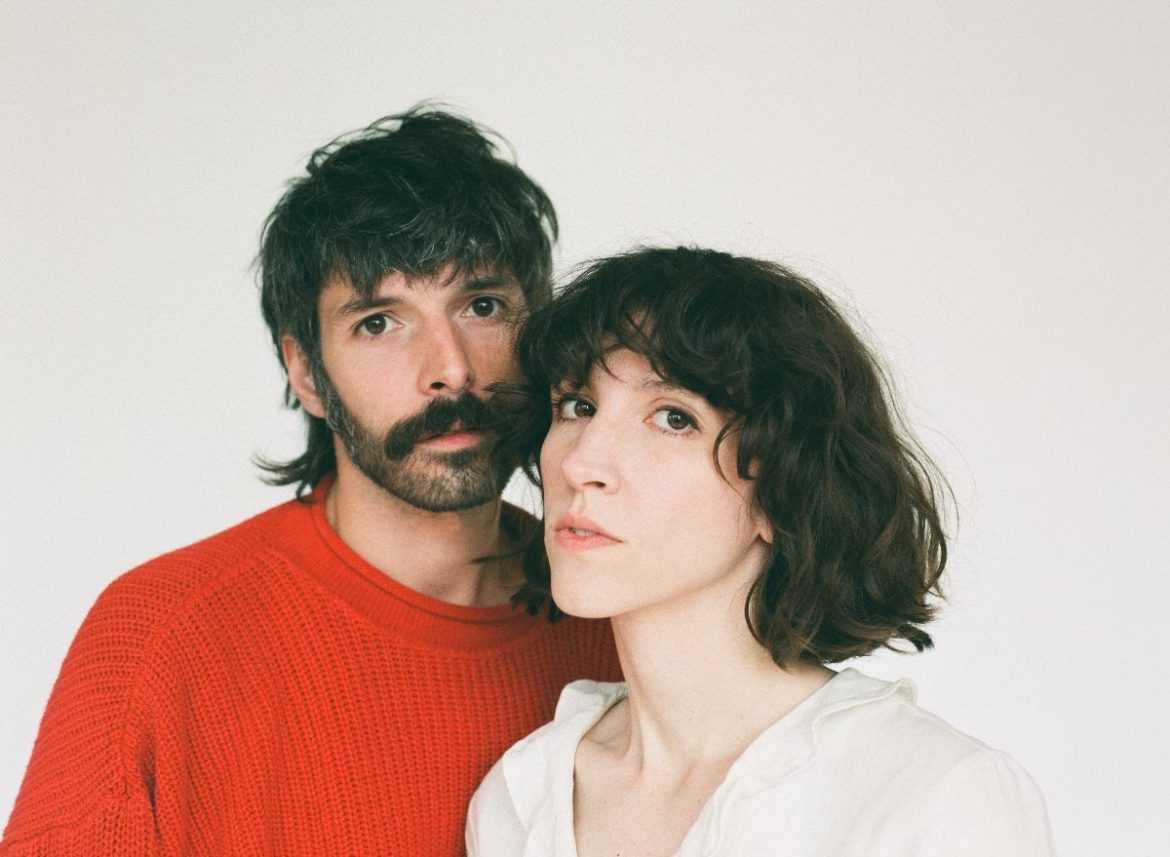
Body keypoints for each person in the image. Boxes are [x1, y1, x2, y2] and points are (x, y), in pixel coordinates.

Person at [1, 107, 620, 857]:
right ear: (306, 372)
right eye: (379, 322)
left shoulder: (622, 621)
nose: (450, 368)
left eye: (482, 306)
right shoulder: (159, 636)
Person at [466, 247, 1056, 856]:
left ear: (783, 490)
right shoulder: (523, 793)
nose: (581, 462)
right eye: (577, 406)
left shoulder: (934, 799)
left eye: (673, 418)